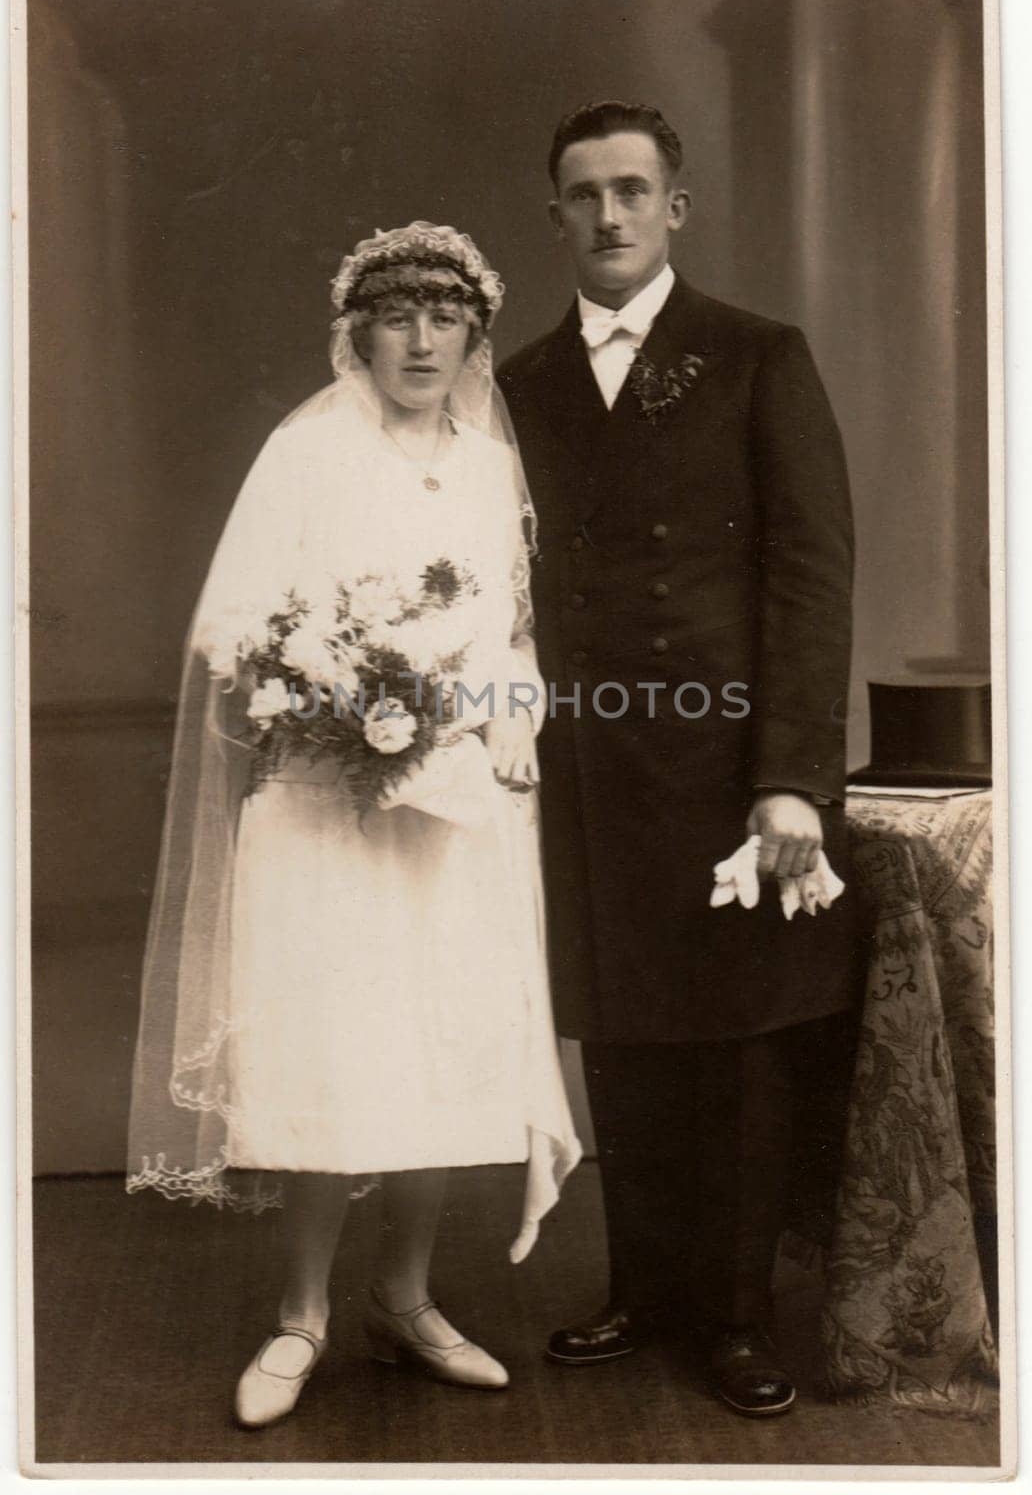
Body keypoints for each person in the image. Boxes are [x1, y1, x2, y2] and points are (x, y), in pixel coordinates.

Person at [128, 221, 580, 1429]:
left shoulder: (491, 466)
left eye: (445, 316)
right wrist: (337, 690)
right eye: (397, 314)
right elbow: (233, 629)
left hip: (455, 808)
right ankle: (302, 1315)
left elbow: (513, 630)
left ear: (475, 334)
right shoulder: (307, 454)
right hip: (328, 802)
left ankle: (408, 1295)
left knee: (436, 1054)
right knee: (333, 1050)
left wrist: (499, 712)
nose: (422, 337)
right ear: (359, 332)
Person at [498, 102, 861, 1416]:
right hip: (590, 771)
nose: (609, 215)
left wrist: (791, 778)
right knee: (629, 1032)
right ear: (556, 215)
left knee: (741, 1049)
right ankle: (643, 1288)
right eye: (584, 193)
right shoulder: (521, 381)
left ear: (676, 208)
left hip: (729, 771)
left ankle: (739, 1317)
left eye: (632, 190)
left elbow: (813, 578)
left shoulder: (758, 356)